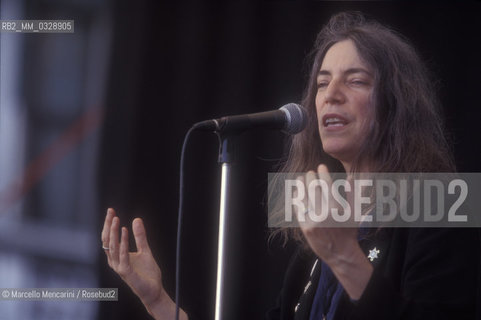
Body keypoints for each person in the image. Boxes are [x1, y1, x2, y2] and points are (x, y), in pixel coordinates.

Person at [101, 12, 481, 320]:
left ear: (396, 103)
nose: (330, 95)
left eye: (356, 81)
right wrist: (159, 303)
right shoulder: (321, 218)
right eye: (321, 83)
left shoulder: (446, 201)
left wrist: (343, 255)